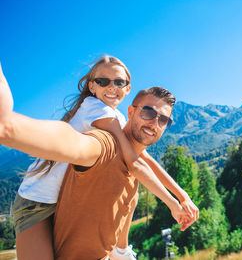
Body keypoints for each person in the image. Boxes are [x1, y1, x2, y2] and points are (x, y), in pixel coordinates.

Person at [0, 60, 198, 260]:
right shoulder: (98, 110)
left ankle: (120, 250)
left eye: (119, 82)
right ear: (92, 86)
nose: (112, 87)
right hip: (35, 203)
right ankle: (120, 252)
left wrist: (183, 196)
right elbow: (135, 162)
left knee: (131, 187)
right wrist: (173, 204)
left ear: (127, 88)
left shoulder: (117, 117)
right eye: (103, 81)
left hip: (61, 201)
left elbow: (145, 159)